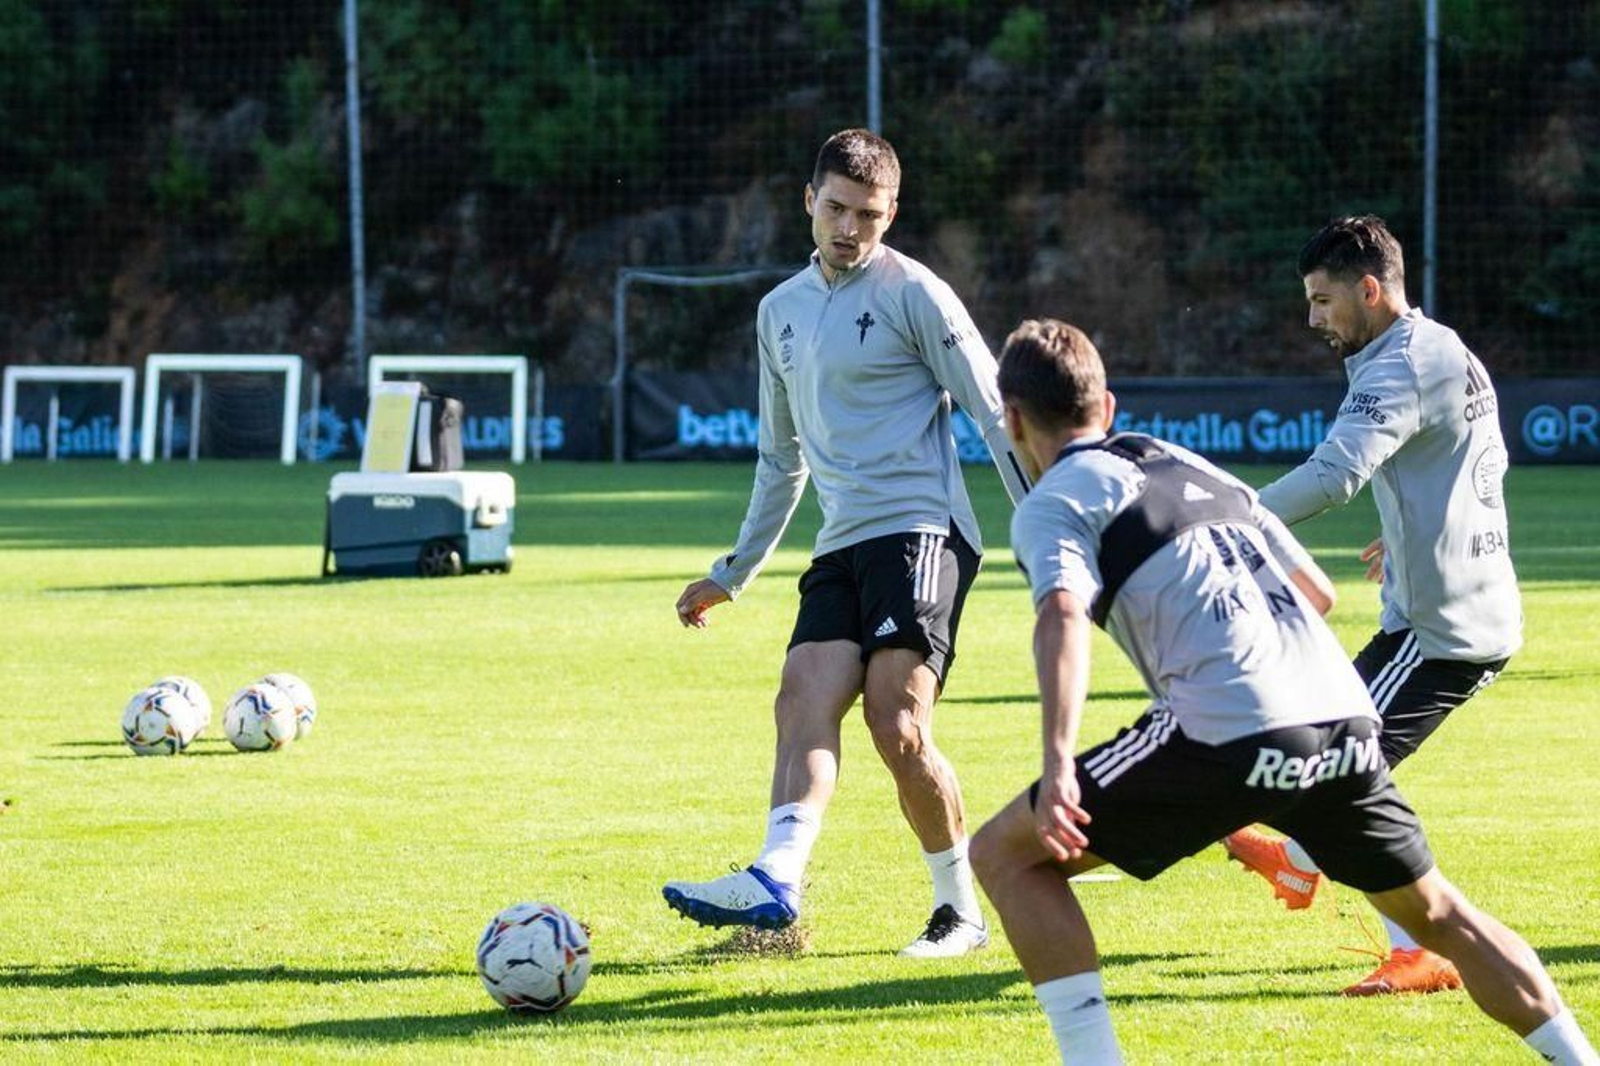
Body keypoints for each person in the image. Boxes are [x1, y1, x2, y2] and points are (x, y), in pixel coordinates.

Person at [969, 317, 1596, 1065]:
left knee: (1008, 856)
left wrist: (1060, 760)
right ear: (1108, 408)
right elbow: (1317, 591)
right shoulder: (1193, 464)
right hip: (1342, 717)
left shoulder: (1053, 501)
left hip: (1231, 728)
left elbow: (1063, 614)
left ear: (1010, 420)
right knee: (1440, 916)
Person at [661, 128, 1029, 957]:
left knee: (895, 722)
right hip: (843, 542)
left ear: (892, 211)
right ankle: (777, 880)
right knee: (802, 694)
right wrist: (734, 572)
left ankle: (959, 912)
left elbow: (993, 411)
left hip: (922, 530)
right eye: (835, 208)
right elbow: (779, 457)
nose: (849, 228)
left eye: (868, 213)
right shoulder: (778, 311)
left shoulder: (916, 295)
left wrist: (1045, 529)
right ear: (809, 202)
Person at [1221, 215, 1524, 996]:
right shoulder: (1433, 346)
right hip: (1435, 615)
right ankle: (1299, 862)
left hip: (1444, 632)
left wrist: (1228, 517)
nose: (1313, 319)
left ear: (1369, 289)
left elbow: (1333, 476)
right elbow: (1471, 458)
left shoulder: (1400, 366)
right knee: (1335, 760)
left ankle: (1419, 943)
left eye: (1323, 301)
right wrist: (1415, 533)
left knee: (1340, 778)